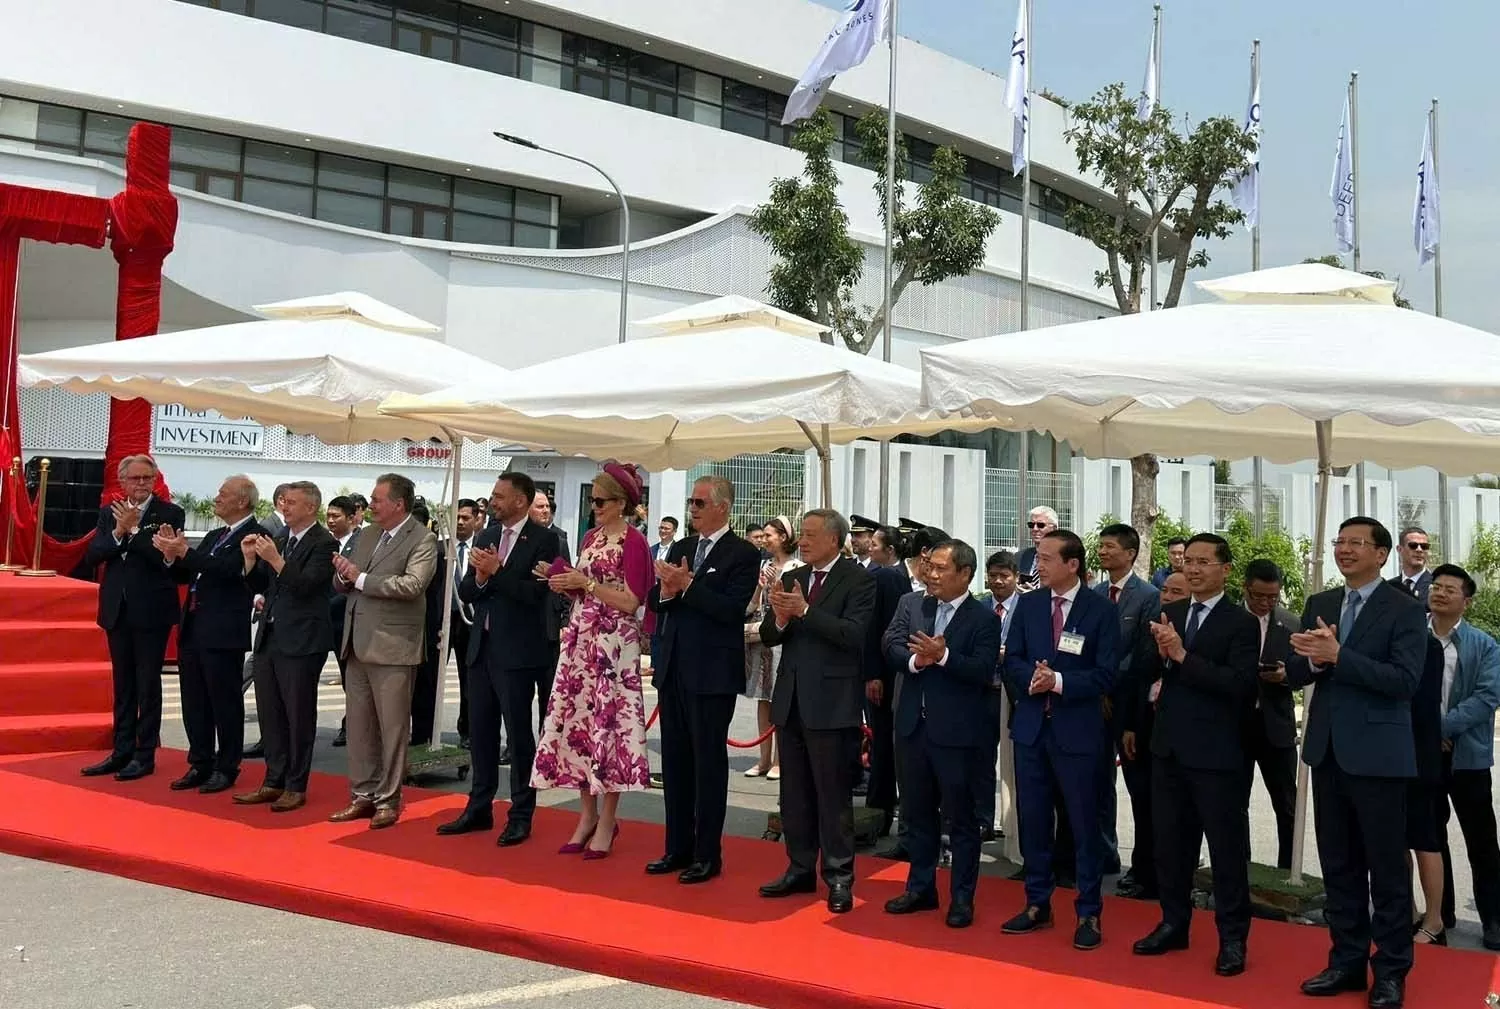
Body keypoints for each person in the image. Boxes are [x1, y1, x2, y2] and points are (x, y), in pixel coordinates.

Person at [1286, 516, 1424, 1009]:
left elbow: (1404, 681)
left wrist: (1340, 656)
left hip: (1380, 757)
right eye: (1339, 542)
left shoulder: (1405, 609)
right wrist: (1314, 660)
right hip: (1326, 752)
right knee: (1339, 866)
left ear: (1382, 554)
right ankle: (1344, 960)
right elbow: (1297, 670)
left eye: (1356, 543)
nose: (1344, 550)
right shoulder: (1320, 604)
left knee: (1385, 870)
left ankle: (1389, 969)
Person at [1130, 534, 1258, 978]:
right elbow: (1148, 669)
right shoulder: (1173, 611)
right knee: (1170, 845)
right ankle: (1173, 923)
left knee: (1225, 851)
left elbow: (1240, 685)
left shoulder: (1241, 623)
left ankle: (1233, 938)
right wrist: (1160, 649)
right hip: (1168, 747)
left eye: (1205, 561)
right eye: (1190, 561)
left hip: (1218, 753)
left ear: (1225, 569)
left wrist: (1183, 655)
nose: (1196, 568)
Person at [1000, 528, 1118, 951]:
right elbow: (1011, 658)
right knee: (1032, 819)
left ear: (1073, 564)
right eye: (1038, 558)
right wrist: (1029, 678)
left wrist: (1060, 681)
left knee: (1083, 825)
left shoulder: (1099, 611)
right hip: (1032, 730)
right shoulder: (1028, 605)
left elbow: (1106, 674)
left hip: (1078, 732)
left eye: (1048, 558)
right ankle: (1037, 903)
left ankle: (1088, 912)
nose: (1039, 566)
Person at [531, 463, 654, 857]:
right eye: (593, 500)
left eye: (601, 501)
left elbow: (632, 601)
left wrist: (586, 583)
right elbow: (587, 593)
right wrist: (563, 582)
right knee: (580, 727)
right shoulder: (589, 537)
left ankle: (607, 820)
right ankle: (586, 815)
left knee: (611, 730)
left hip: (614, 647)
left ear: (621, 504)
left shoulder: (633, 542)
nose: (595, 506)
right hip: (582, 642)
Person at [758, 509, 876, 914]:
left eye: (810, 535)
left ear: (834, 539)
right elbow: (772, 634)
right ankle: (799, 867)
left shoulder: (859, 579)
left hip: (832, 703)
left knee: (833, 796)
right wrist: (780, 616)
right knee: (794, 795)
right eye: (801, 535)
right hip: (791, 699)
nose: (802, 542)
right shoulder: (794, 578)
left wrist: (806, 612)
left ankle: (840, 877)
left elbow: (853, 635)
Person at [646, 476, 759, 883]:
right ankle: (677, 847)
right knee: (675, 763)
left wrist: (687, 585)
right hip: (674, 667)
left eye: (699, 502)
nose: (692, 508)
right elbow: (658, 602)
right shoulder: (681, 547)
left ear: (722, 507)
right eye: (690, 501)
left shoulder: (743, 553)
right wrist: (666, 588)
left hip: (711, 673)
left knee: (707, 764)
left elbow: (730, 610)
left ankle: (708, 854)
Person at [884, 539, 1002, 927]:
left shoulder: (983, 617)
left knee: (962, 819)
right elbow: (890, 644)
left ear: (965, 574)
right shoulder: (912, 604)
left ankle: (962, 897)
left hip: (957, 735)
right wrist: (918, 660)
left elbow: (984, 669)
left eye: (940, 568)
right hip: (912, 728)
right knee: (917, 814)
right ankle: (920, 888)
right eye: (928, 566)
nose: (931, 575)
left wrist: (945, 656)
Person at [439, 472, 560, 846]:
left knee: (519, 736)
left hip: (520, 652)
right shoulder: (488, 534)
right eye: (493, 495)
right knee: (481, 732)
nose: (492, 501)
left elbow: (536, 596)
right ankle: (479, 806)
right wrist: (479, 576)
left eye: (499, 496)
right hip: (482, 646)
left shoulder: (546, 540)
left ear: (521, 501)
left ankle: (521, 813)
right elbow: (468, 591)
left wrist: (497, 572)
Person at [330, 473, 438, 830]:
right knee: (360, 727)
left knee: (392, 729)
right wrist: (344, 575)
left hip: (393, 646)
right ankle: (362, 794)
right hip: (357, 641)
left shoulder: (423, 539)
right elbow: (347, 578)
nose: (370, 506)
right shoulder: (368, 534)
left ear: (398, 504)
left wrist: (360, 579)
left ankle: (388, 799)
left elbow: (412, 585)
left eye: (377, 500)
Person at [153, 475, 264, 794]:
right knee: (194, 700)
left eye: (223, 494)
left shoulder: (254, 534)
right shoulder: (217, 533)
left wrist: (186, 552)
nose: (216, 498)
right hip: (194, 624)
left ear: (242, 501)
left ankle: (227, 765)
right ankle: (199, 761)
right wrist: (171, 556)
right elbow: (190, 571)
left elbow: (228, 572)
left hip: (223, 630)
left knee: (224, 701)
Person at [80, 455, 186, 783]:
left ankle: (145, 753)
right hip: (117, 608)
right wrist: (117, 531)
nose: (141, 484)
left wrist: (134, 529)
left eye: (147, 478)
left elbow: (160, 556)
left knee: (147, 683)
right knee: (123, 684)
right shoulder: (107, 513)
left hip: (151, 610)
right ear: (122, 482)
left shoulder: (169, 513)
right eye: (135, 478)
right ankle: (121, 749)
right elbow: (94, 555)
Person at [235, 481, 337, 812]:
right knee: (271, 712)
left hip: (303, 640)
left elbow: (307, 586)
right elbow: (262, 584)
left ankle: (296, 784)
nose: (285, 507)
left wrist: (277, 561)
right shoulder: (279, 539)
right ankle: (272, 779)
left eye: (292, 502)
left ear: (311, 507)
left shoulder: (325, 542)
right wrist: (251, 560)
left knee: (298, 714)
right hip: (271, 636)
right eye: (283, 501)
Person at [1428, 564, 1500, 950]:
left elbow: (1488, 696)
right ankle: (1441, 913)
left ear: (1466, 601)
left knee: (1481, 840)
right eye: (1436, 586)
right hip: (1425, 755)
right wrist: (1428, 733)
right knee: (1431, 837)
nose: (1439, 593)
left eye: (1449, 589)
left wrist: (1443, 728)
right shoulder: (1412, 636)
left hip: (1467, 756)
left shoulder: (1484, 645)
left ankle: (1493, 918)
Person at [1093, 523, 1160, 883]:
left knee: (1138, 787)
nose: (1103, 552)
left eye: (1109, 547)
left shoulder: (1147, 595)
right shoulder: (1094, 592)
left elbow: (1142, 657)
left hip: (1128, 702)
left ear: (1130, 553)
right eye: (1101, 547)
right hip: (1093, 699)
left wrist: (1108, 686)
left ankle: (1143, 865)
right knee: (1095, 781)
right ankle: (1103, 852)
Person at [1240, 559, 1299, 869]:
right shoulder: (1229, 618)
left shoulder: (1291, 623)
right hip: (1235, 726)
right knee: (1235, 805)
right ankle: (1240, 870)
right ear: (1245, 588)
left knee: (1288, 805)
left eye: (1271, 597)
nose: (1264, 603)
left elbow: (1305, 670)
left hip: (1276, 726)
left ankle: (1288, 870)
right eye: (1258, 596)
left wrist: (1286, 675)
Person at [863, 524, 911, 834]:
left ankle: (879, 808)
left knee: (883, 742)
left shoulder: (887, 577)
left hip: (886, 673)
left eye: (876, 545)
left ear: (890, 550)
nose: (870, 548)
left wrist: (873, 674)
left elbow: (880, 631)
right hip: (888, 672)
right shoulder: (892, 575)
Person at [743, 515, 797, 780]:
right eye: (762, 535)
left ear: (784, 537)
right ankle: (763, 758)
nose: (764, 540)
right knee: (762, 699)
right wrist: (760, 586)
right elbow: (752, 606)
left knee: (779, 699)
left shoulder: (797, 567)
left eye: (769, 535)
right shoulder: (763, 565)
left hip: (783, 641)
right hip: (761, 639)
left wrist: (775, 586)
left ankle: (779, 760)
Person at [326, 495, 363, 749]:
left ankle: (352, 725)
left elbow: (351, 588)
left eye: (335, 516)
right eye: (327, 515)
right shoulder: (323, 543)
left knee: (351, 679)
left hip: (346, 621)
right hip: (319, 622)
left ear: (351, 518)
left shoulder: (362, 543)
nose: (330, 521)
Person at [1015, 506, 1058, 588]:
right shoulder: (1020, 557)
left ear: (1054, 529)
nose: (1035, 529)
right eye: (1031, 525)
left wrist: (1036, 594)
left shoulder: (1063, 559)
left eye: (1040, 525)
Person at [1388, 528, 1433, 604]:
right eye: (1413, 545)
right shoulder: (1388, 587)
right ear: (1399, 549)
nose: (1419, 550)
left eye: (1424, 546)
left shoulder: (1435, 587)